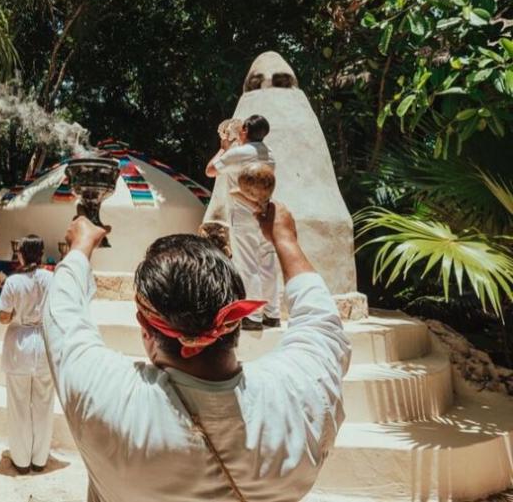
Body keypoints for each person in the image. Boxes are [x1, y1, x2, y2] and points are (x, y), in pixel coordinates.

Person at [42, 206, 351, 502]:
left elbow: (63, 314)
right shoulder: (300, 396)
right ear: (235, 320)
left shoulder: (104, 396)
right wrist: (285, 239)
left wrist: (80, 245)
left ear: (145, 328)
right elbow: (321, 322)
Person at [206, 114, 278, 329]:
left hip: (244, 215)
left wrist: (224, 147)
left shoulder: (238, 153)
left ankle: (253, 316)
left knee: (248, 265)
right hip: (265, 213)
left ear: (245, 130)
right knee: (268, 264)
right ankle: (272, 314)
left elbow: (210, 170)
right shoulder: (270, 154)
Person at [0, 234, 55, 474]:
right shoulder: (52, 279)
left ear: (20, 253)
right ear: (40, 254)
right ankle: (40, 459)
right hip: (44, 343)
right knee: (44, 402)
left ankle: (21, 461)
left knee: (19, 403)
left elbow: (3, 317)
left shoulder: (13, 282)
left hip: (19, 343)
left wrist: (16, 315)